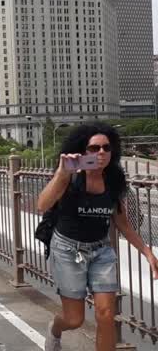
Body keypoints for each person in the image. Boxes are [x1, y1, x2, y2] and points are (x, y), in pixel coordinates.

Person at [37, 123, 158, 351]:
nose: (100, 152)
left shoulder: (113, 180)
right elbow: (42, 204)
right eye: (93, 148)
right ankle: (55, 327)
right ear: (82, 151)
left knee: (106, 314)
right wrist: (63, 174)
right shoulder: (69, 176)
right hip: (67, 250)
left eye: (106, 147)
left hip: (101, 251)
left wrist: (147, 252)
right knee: (74, 320)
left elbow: (123, 223)